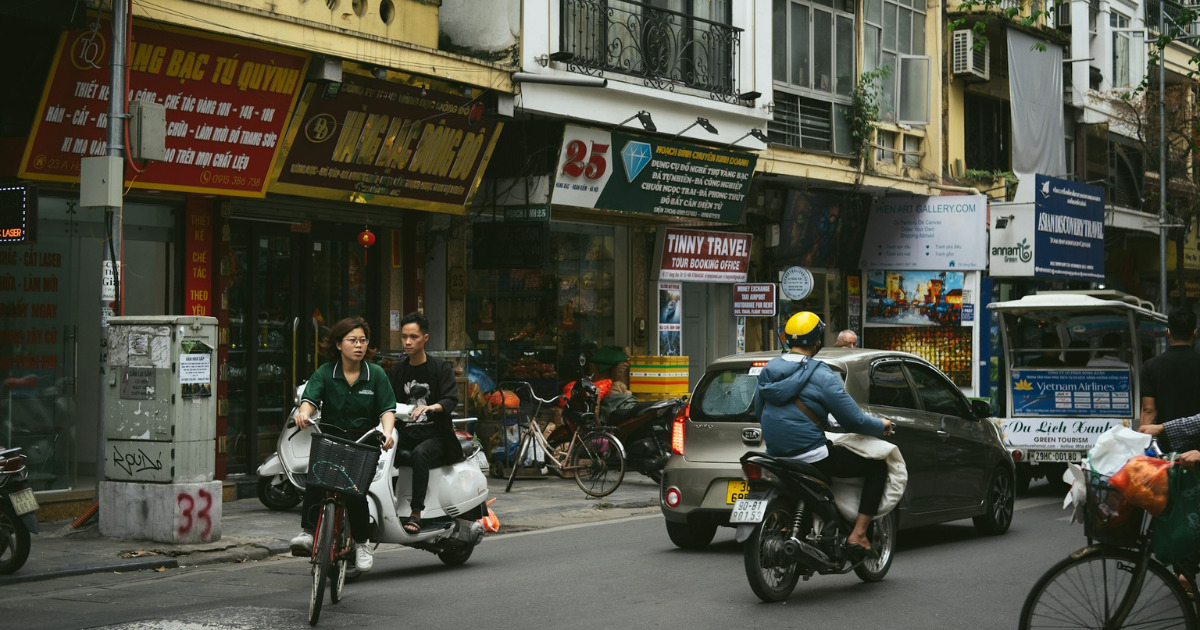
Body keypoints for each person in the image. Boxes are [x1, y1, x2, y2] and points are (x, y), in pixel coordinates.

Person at [753, 311, 894, 558]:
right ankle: (858, 534)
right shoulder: (822, 374)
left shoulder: (769, 369)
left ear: (788, 339)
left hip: (775, 454)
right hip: (812, 455)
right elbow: (852, 420)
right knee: (877, 467)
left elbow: (759, 410)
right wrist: (880, 425)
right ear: (817, 340)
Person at [289, 316, 396, 573]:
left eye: (363, 340)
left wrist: (388, 432)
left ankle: (361, 543)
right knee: (317, 479)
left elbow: (387, 409)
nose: (358, 345)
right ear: (339, 344)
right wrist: (304, 413)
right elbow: (310, 399)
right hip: (332, 437)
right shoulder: (325, 373)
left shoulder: (376, 374)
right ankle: (307, 532)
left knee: (355, 493)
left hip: (362, 440)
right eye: (352, 340)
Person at [386, 311, 462, 535]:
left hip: (435, 436)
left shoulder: (440, 369)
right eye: (404, 337)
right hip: (405, 434)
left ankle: (416, 512)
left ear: (425, 338)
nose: (408, 342)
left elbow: (450, 398)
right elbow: (387, 402)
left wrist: (431, 407)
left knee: (421, 453)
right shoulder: (397, 371)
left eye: (414, 337)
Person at [1140, 309, 1200, 428]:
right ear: (1195, 333)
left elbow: (1148, 410)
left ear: (1167, 332)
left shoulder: (1151, 366)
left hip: (1165, 440)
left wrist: (1144, 437)